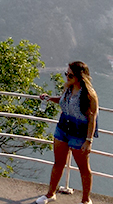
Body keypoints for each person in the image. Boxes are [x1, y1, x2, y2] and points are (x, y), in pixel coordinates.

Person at [36, 61, 99, 204]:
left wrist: (88, 141)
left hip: (79, 135)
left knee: (84, 169)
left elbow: (92, 118)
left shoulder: (89, 95)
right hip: (62, 129)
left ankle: (85, 200)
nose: (67, 77)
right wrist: (49, 98)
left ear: (80, 76)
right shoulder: (68, 88)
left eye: (70, 75)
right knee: (58, 163)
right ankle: (50, 194)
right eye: (66, 74)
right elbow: (64, 101)